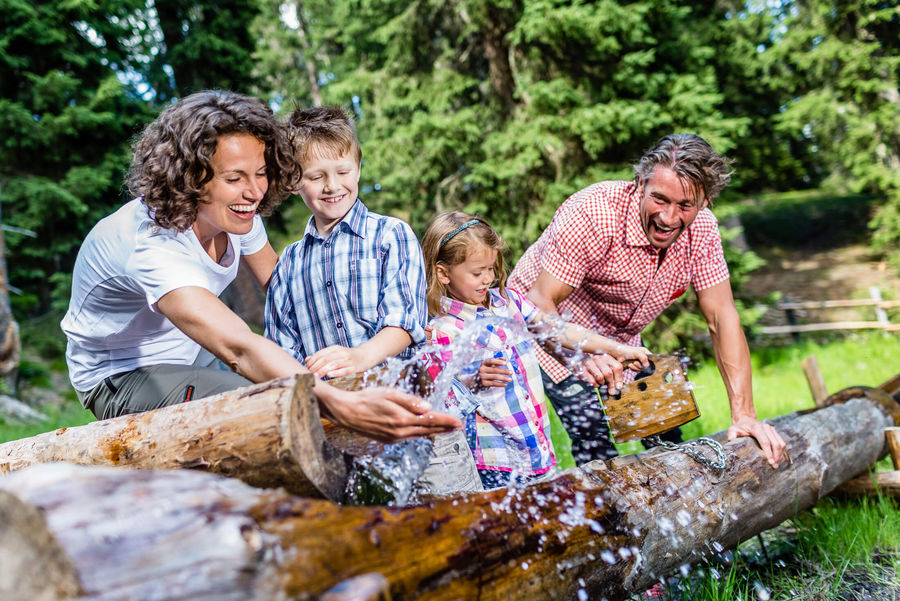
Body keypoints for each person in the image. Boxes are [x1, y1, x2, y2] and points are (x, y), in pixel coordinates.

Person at [61, 90, 459, 443]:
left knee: (286, 386)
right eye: (235, 178)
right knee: (270, 406)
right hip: (123, 376)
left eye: (262, 174)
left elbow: (287, 285)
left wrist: (365, 341)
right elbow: (238, 347)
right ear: (191, 178)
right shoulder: (151, 244)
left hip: (196, 356)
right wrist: (336, 401)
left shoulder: (236, 211)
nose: (254, 193)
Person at [508, 133, 786, 468]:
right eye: (659, 199)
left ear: (706, 201)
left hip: (620, 339)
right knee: (593, 433)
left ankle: (669, 507)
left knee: (666, 431)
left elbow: (722, 317)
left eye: (684, 206)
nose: (669, 218)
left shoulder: (704, 231)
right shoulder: (593, 212)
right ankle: (599, 512)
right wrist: (579, 354)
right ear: (640, 183)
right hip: (545, 323)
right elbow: (540, 302)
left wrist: (745, 416)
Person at [422, 210, 650, 489]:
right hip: (495, 461)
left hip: (537, 449)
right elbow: (441, 397)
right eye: (477, 272)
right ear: (444, 273)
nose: (488, 279)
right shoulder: (443, 330)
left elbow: (558, 330)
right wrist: (474, 380)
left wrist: (615, 348)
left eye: (492, 269)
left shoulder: (509, 302)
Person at [264, 106, 426, 378]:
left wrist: (360, 357)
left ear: (359, 169)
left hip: (398, 392)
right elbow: (281, 351)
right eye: (316, 177)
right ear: (294, 182)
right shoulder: (288, 265)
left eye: (343, 172)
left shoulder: (391, 235)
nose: (332, 185)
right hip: (331, 407)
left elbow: (405, 322)